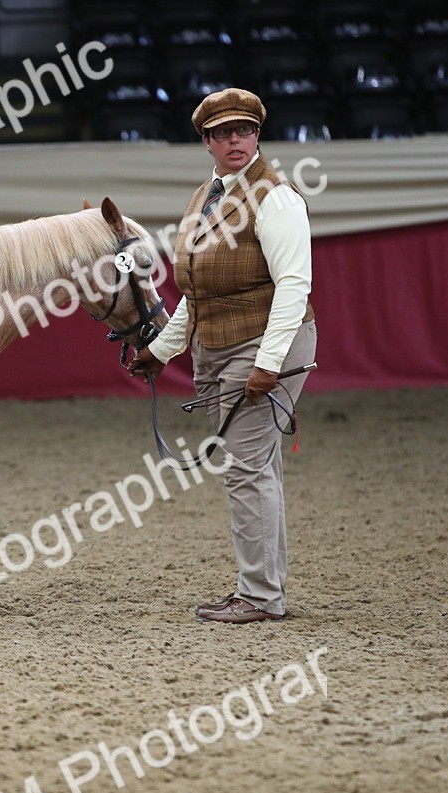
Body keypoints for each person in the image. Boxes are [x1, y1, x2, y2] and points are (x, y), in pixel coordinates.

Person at [128, 87, 317, 624]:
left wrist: (268, 363)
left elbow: (293, 286)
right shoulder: (205, 196)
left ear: (258, 134)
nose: (236, 140)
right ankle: (265, 589)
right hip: (219, 346)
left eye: (245, 130)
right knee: (256, 468)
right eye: (223, 133)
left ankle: (259, 596)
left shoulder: (276, 198)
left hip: (265, 342)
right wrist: (161, 351)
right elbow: (197, 293)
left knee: (245, 469)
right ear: (206, 141)